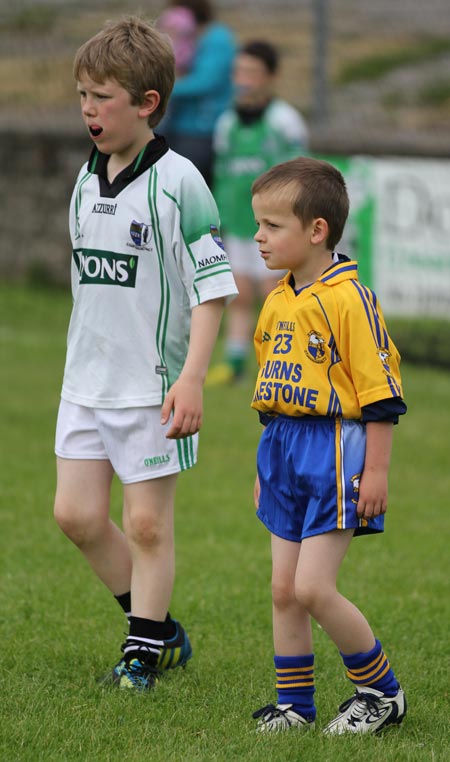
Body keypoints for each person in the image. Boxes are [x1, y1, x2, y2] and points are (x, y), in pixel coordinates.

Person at [53, 16, 237, 691]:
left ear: (146, 103)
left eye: (101, 97)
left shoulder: (180, 182)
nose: (88, 110)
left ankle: (142, 653)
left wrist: (191, 379)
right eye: (82, 95)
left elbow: (214, 290)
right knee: (74, 515)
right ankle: (157, 628)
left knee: (147, 524)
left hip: (152, 386)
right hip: (85, 381)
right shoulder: (85, 174)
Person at [249, 157, 408, 734]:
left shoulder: (350, 299)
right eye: (258, 225)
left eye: (272, 226)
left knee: (313, 587)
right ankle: (296, 706)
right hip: (284, 451)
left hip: (336, 450)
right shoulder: (276, 298)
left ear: (317, 230)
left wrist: (378, 473)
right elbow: (272, 395)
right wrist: (267, 465)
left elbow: (380, 397)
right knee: (283, 589)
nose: (259, 238)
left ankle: (381, 695)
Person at [207, 40, 309, 385]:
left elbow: (301, 175)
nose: (243, 79)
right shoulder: (226, 123)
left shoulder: (285, 121)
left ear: (271, 77)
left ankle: (283, 363)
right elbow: (223, 174)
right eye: (239, 71)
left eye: (252, 72)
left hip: (274, 224)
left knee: (273, 291)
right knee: (238, 291)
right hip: (234, 221)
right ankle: (235, 363)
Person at [160, 0, 236, 187]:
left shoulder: (217, 37)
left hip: (201, 130)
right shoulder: (188, 36)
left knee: (187, 185)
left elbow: (205, 82)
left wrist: (163, 86)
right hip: (177, 125)